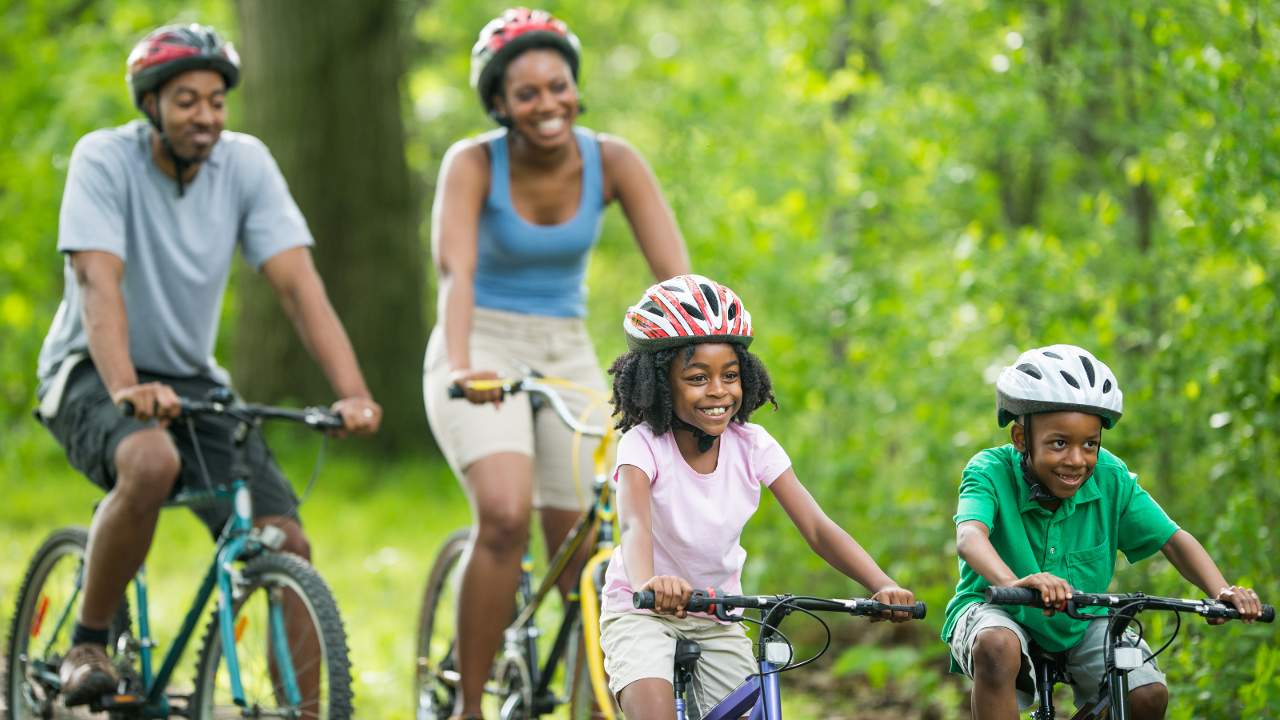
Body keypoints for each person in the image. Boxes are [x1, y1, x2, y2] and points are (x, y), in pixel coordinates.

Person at [34, 23, 382, 706]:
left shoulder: (244, 164)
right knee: (150, 462)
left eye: (217, 100)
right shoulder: (103, 159)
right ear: (151, 105)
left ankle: (309, 710)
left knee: (285, 540)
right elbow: (97, 282)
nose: (206, 115)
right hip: (91, 367)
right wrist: (126, 387)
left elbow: (298, 285)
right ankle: (88, 640)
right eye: (187, 100)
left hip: (190, 377)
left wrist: (352, 393)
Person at [422, 8, 689, 718]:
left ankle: (592, 701)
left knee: (589, 546)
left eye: (558, 86)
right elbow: (457, 274)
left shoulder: (614, 161)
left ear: (576, 87)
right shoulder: (473, 163)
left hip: (564, 346)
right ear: (500, 104)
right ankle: (469, 706)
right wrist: (459, 364)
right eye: (527, 93)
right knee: (506, 515)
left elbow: (674, 277)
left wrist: (692, 365)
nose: (548, 104)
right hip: (479, 341)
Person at [598, 274, 917, 719]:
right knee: (651, 708)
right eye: (697, 377)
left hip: (718, 613)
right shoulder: (643, 444)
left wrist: (880, 583)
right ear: (658, 384)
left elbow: (818, 528)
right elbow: (633, 524)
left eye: (730, 376)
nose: (718, 391)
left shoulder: (753, 444)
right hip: (644, 608)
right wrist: (649, 583)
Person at [942, 344, 1264, 720]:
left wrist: (1219, 589)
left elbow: (1173, 539)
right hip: (994, 608)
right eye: (1059, 443)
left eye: (1089, 444)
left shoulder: (1110, 477)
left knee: (1146, 693)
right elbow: (969, 538)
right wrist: (1015, 581)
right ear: (1020, 438)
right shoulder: (988, 470)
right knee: (997, 646)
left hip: (1081, 618)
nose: (1077, 460)